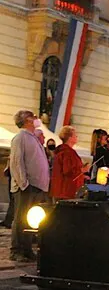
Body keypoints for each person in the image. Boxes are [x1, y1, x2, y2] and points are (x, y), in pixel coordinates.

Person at [9, 110, 50, 262]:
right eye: (33, 117)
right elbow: (16, 161)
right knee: (21, 218)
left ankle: (26, 249)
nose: (36, 119)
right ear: (26, 120)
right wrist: (23, 183)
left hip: (36, 186)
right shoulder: (20, 137)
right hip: (27, 186)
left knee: (30, 220)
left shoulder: (32, 137)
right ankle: (17, 250)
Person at [51, 126, 90, 200]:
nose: (77, 137)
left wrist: (82, 176)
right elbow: (68, 171)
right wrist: (82, 170)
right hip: (67, 191)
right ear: (70, 137)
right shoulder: (67, 152)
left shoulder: (63, 151)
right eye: (75, 135)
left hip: (62, 190)